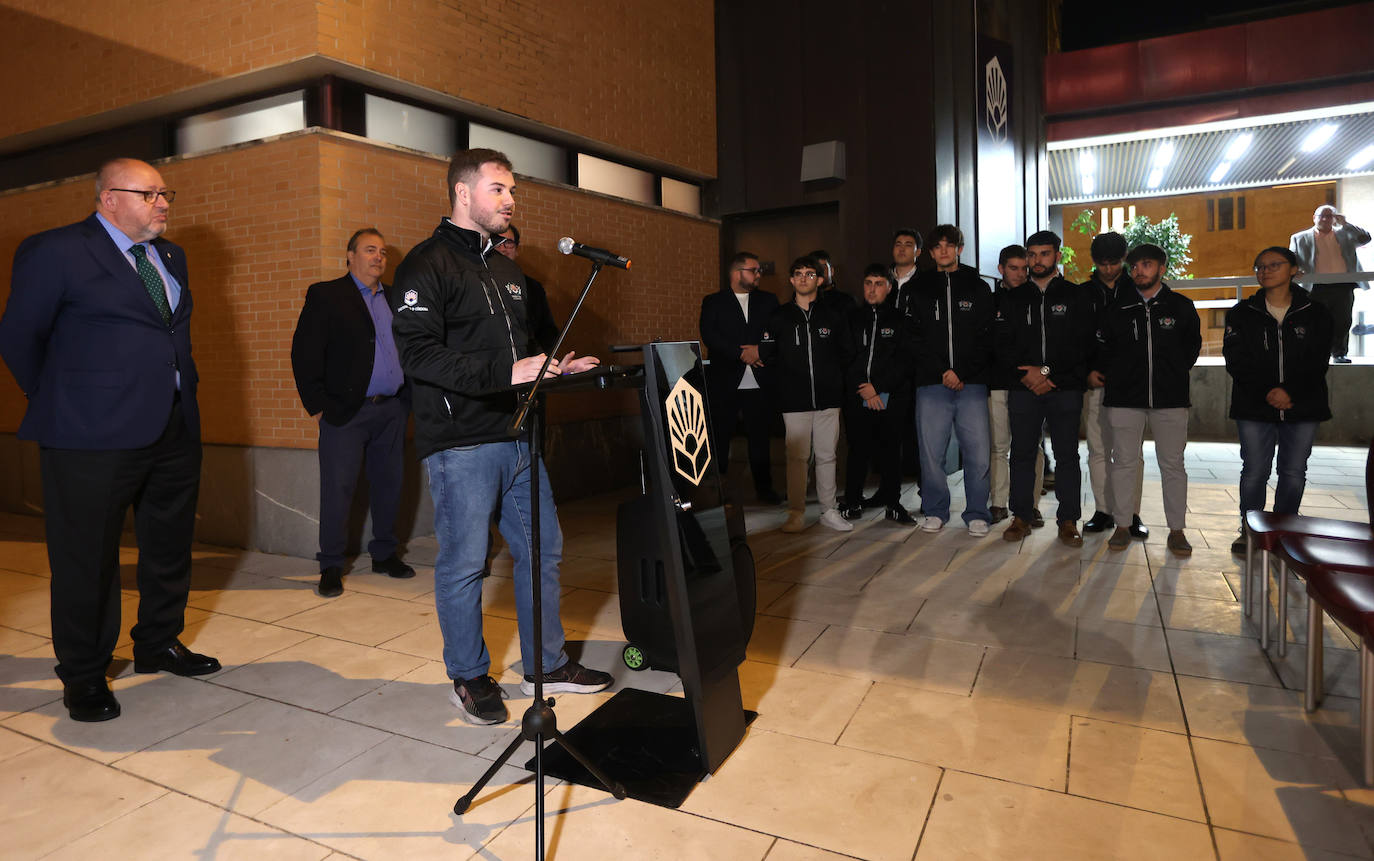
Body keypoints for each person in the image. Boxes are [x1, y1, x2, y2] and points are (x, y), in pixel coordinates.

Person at [388, 148, 612, 725]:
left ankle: (547, 661)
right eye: (498, 189)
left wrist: (553, 367)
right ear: (463, 194)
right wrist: (503, 374)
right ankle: (467, 676)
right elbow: (416, 354)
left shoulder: (508, 271)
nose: (509, 200)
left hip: (518, 438)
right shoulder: (426, 264)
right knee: (465, 564)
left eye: (512, 190)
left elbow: (518, 355)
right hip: (461, 443)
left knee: (544, 551)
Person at [0, 158, 219, 722]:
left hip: (172, 424)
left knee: (168, 544)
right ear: (107, 199)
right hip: (87, 434)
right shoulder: (55, 251)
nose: (163, 203)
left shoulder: (171, 256)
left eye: (164, 192)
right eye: (148, 194)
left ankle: (158, 641)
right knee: (87, 558)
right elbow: (20, 336)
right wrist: (56, 397)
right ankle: (83, 672)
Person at [291, 228, 415, 598]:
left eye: (382, 251)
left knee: (389, 486)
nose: (378, 257)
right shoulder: (327, 295)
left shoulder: (396, 299)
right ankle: (330, 565)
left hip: (391, 410)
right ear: (350, 256)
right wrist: (317, 407)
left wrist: (407, 400)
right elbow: (304, 353)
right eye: (369, 250)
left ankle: (385, 554)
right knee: (338, 489)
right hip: (346, 413)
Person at [1091, 243, 1201, 557]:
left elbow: (1190, 349)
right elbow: (1104, 349)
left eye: (1147, 265)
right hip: (1124, 398)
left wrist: (1171, 373)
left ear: (1162, 268)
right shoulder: (1118, 309)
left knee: (1173, 465)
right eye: (1135, 266)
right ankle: (1123, 525)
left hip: (1170, 398)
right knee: (1123, 463)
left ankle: (1177, 530)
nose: (1139, 270)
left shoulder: (1180, 306)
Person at [1223, 247, 1334, 554]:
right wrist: (1269, 392)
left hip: (1303, 406)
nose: (1265, 271)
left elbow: (1317, 360)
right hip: (1254, 406)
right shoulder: (1242, 313)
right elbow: (1236, 360)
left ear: (1294, 269)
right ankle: (1250, 531)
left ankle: (1284, 531)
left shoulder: (1316, 312)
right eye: (1260, 266)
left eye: (1274, 265)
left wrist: (1290, 393)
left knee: (1294, 472)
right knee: (1255, 471)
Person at [996, 230, 1096, 547]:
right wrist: (1025, 374)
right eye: (1033, 254)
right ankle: (1021, 516)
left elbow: (1082, 347)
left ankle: (1068, 521)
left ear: (1058, 256)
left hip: (1063, 388)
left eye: (1044, 253)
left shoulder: (1076, 296)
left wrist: (1048, 373)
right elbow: (1001, 346)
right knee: (1022, 454)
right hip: (1023, 389)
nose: (1037, 260)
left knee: (1066, 455)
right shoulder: (1012, 298)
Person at [910, 225, 994, 536]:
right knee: (931, 453)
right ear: (930, 252)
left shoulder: (979, 287)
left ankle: (977, 513)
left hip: (971, 383)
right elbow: (913, 339)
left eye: (950, 245)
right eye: (937, 247)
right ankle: (935, 510)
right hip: (931, 384)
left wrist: (962, 372)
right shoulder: (918, 289)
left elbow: (987, 337)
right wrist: (942, 371)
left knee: (978, 452)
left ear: (959, 248)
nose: (944, 251)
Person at [760, 256, 854, 533]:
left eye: (810, 274)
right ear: (791, 280)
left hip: (828, 399)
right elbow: (767, 355)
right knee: (797, 458)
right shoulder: (779, 317)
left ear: (820, 280)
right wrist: (785, 383)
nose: (803, 278)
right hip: (794, 400)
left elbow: (847, 353)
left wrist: (833, 381)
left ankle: (829, 510)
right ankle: (796, 513)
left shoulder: (833, 315)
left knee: (827, 456)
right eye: (798, 274)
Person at [700, 252, 782, 504]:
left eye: (759, 271)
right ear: (737, 273)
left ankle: (765, 490)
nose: (759, 275)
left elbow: (776, 333)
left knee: (759, 438)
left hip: (760, 380)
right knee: (720, 438)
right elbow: (710, 336)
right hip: (725, 380)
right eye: (754, 270)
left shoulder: (769, 301)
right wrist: (741, 354)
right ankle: (718, 492)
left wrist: (760, 352)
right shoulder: (713, 302)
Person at [1079, 232, 1146, 539]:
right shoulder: (1082, 294)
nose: (1108, 269)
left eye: (1114, 262)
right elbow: (1073, 340)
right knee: (1098, 449)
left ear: (1124, 259)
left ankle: (1130, 513)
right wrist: (1087, 372)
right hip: (1094, 380)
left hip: (1131, 383)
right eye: (1102, 263)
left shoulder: (1138, 290)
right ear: (1094, 262)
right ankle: (1103, 510)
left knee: (1130, 451)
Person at [841, 264, 917, 523]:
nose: (872, 289)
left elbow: (906, 361)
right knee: (858, 450)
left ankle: (893, 504)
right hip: (858, 396)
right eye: (868, 283)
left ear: (889, 287)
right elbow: (846, 358)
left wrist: (879, 388)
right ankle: (852, 502)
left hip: (892, 397)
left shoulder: (901, 320)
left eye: (878, 283)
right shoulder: (851, 318)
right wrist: (865, 389)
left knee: (891, 451)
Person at [987, 245, 1045, 525]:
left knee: (1031, 446)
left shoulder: (1037, 297)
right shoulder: (990, 301)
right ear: (1001, 269)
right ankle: (998, 503)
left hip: (1030, 384)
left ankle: (1031, 504)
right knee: (999, 446)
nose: (1021, 274)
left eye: (1025, 268)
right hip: (998, 383)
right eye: (1014, 268)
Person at [1289, 205, 1370, 363]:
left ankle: (1339, 353)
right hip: (1315, 286)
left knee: (1343, 321)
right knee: (1315, 322)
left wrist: (1346, 224)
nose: (1325, 219)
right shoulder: (1300, 238)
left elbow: (1366, 238)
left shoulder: (1346, 234)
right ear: (1314, 218)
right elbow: (1291, 257)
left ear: (1335, 218)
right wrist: (1295, 269)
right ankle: (1316, 354)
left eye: (1329, 216)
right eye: (1322, 216)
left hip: (1342, 285)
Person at [494, 224, 559, 353]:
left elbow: (547, 331)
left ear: (517, 250)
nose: (503, 248)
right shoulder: (475, 280)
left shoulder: (533, 287)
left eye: (509, 243)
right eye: (497, 242)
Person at [810, 248, 856, 314]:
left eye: (823, 268)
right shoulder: (803, 302)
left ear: (831, 271)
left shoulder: (847, 301)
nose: (819, 272)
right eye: (815, 269)